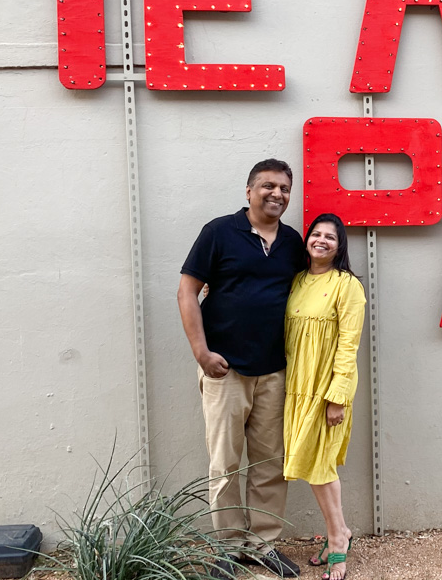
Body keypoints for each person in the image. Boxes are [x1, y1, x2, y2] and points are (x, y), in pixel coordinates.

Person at [177, 158, 305, 579]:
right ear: (248, 191)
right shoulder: (218, 232)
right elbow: (187, 291)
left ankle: (262, 544)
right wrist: (201, 352)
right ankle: (228, 548)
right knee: (226, 462)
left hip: (274, 370)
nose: (278, 194)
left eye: (285, 188)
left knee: (270, 463)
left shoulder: (291, 242)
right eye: (268, 186)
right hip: (224, 370)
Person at [283, 213, 366, 580]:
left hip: (326, 388)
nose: (321, 240)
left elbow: (349, 345)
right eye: (315, 234)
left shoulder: (347, 285)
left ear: (339, 246)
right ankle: (341, 532)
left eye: (329, 237)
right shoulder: (298, 280)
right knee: (313, 464)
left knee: (321, 465)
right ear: (307, 240)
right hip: (297, 386)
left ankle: (337, 539)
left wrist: (337, 397)